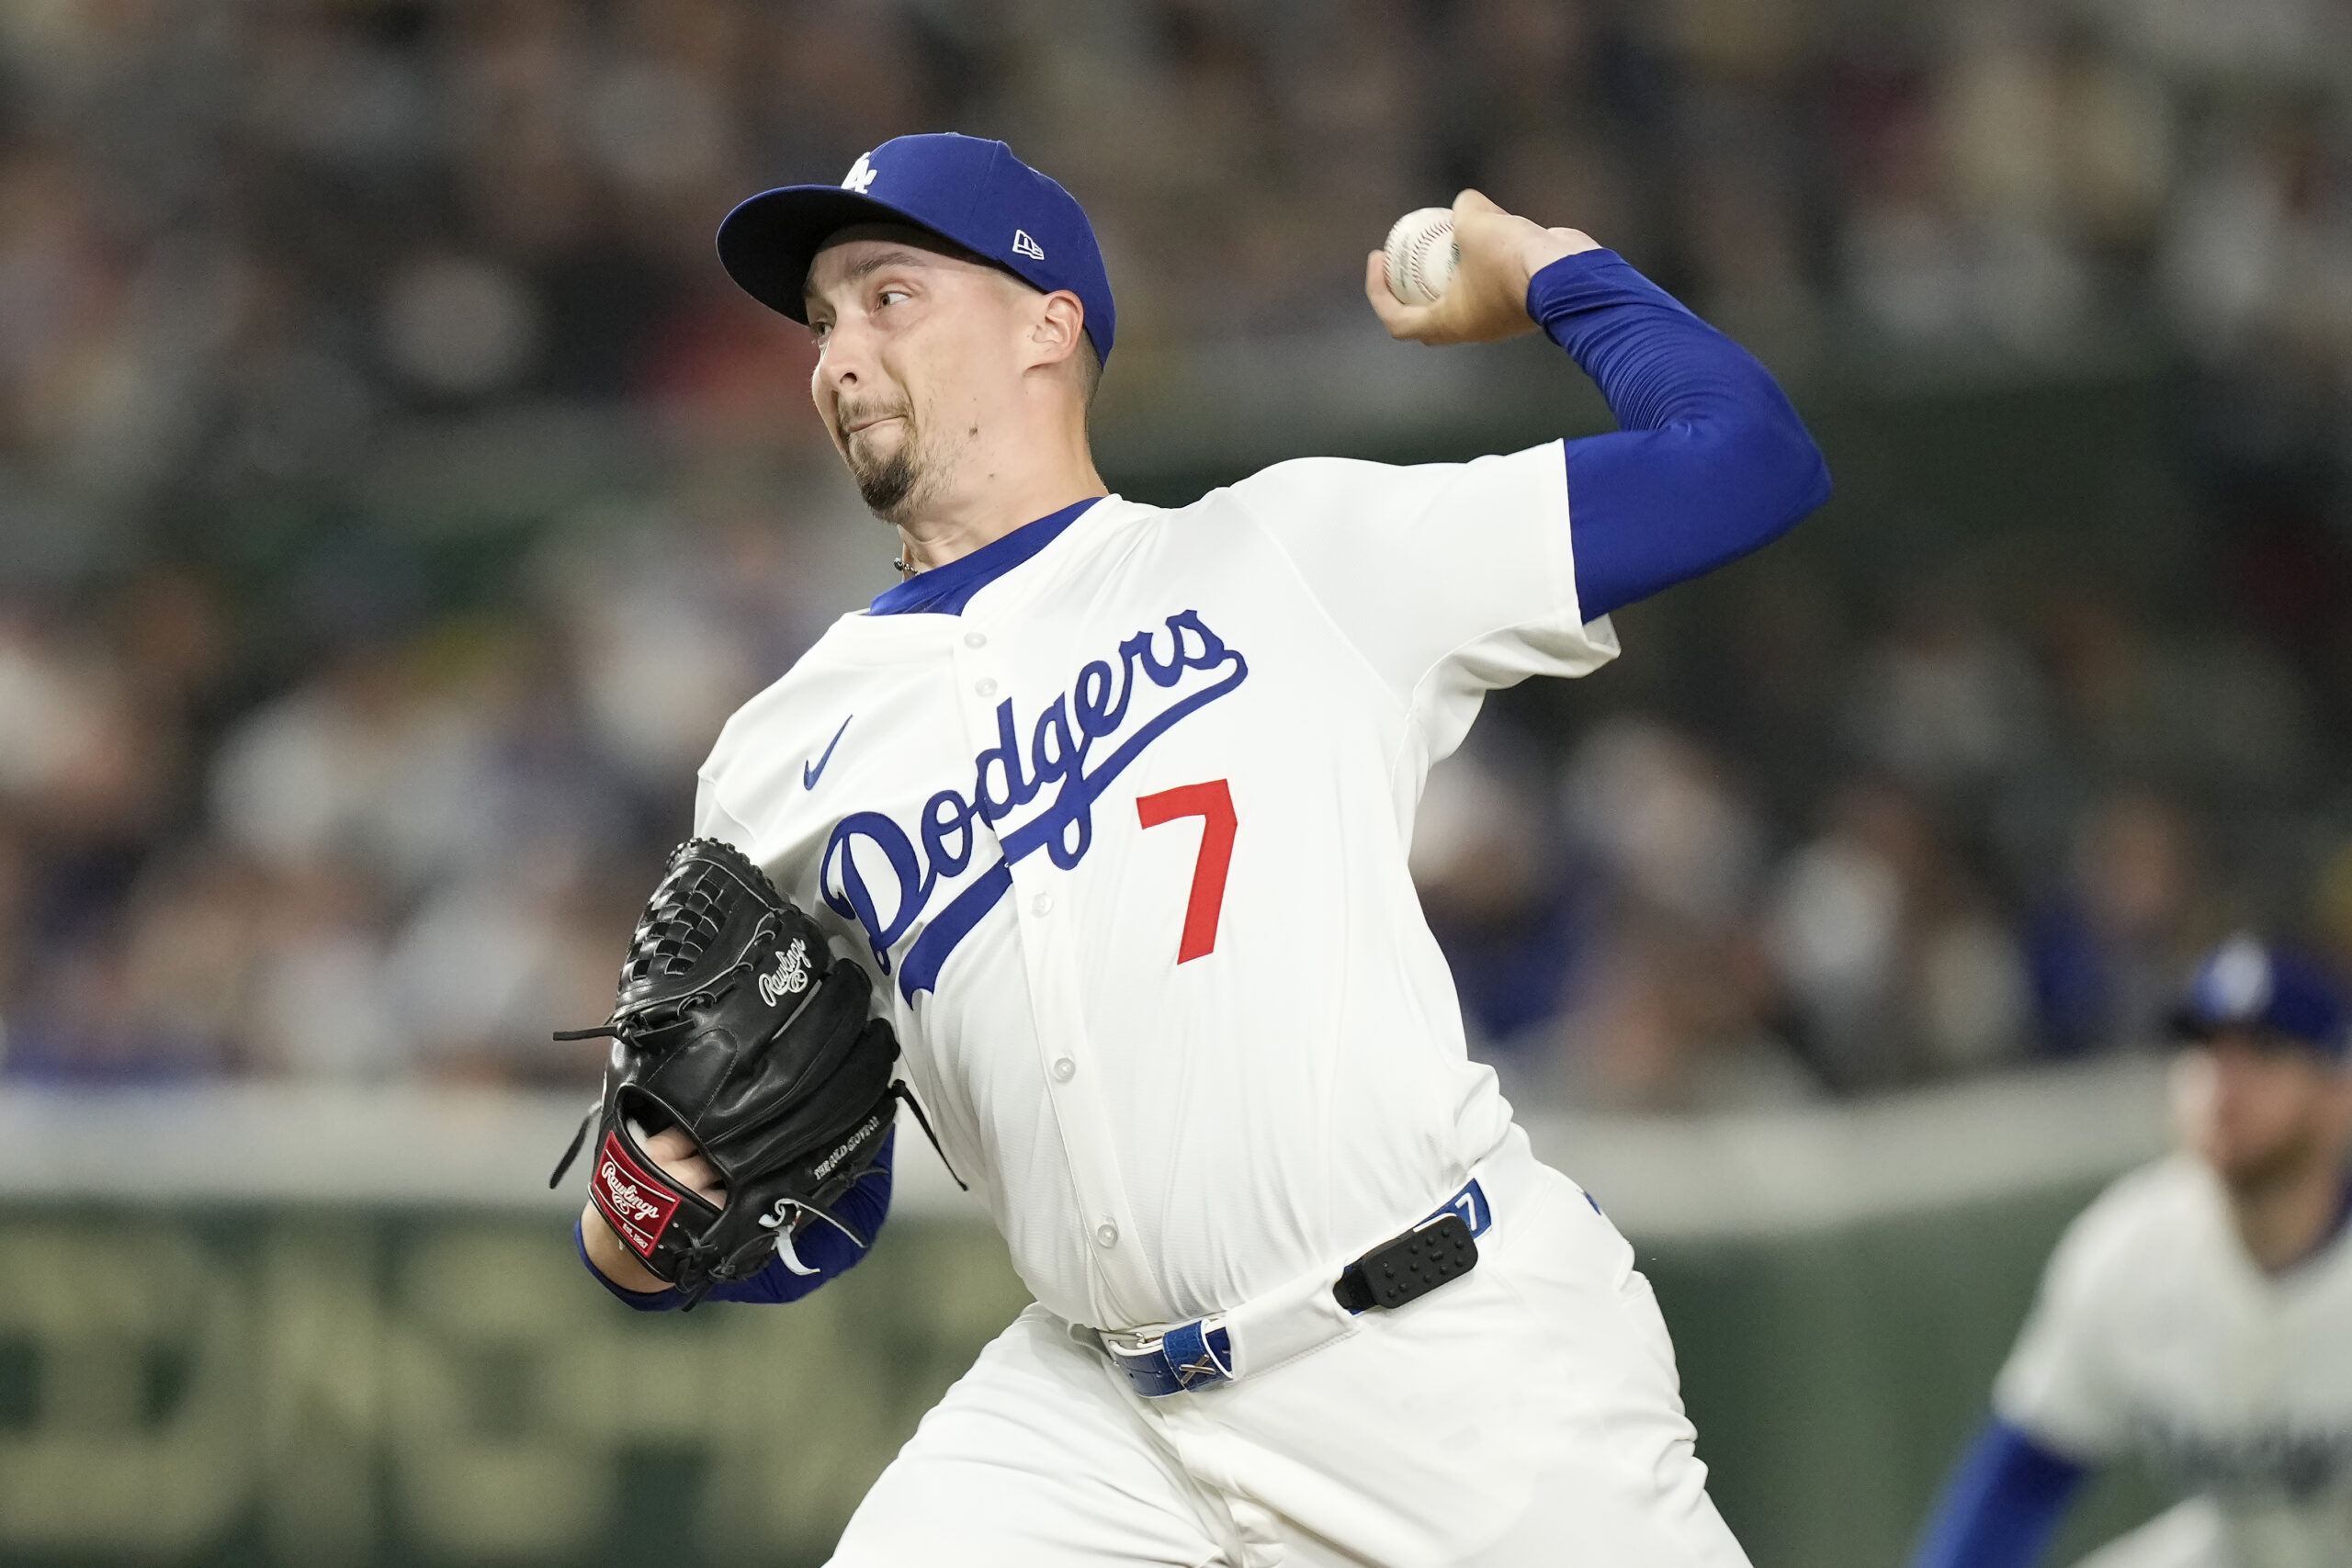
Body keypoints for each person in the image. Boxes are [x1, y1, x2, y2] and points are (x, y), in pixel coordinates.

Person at [571, 131, 1829, 1565]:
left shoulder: (1294, 552)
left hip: (1449, 1362)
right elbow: (816, 1184)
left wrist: (1551, 272)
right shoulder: (773, 759)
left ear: (1049, 323)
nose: (837, 353)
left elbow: (1747, 459)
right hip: (1101, 1417)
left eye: (887, 295)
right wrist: (650, 1220)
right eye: (821, 319)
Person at [1910, 935, 2352, 1568]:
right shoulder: (2133, 1248)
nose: (2222, 1081)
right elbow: (2023, 1476)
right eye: (2204, 1048)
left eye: (2264, 1051)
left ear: (2339, 1092)